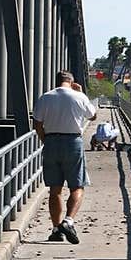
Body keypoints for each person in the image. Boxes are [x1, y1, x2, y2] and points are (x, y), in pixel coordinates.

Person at [32, 70, 96, 244]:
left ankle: (56, 230)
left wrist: (45, 139)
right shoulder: (78, 96)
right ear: (72, 81)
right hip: (72, 141)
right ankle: (68, 221)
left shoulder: (46, 97)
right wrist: (81, 92)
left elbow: (37, 123)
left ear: (57, 81)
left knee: (55, 189)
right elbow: (93, 115)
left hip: (51, 141)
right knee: (77, 186)